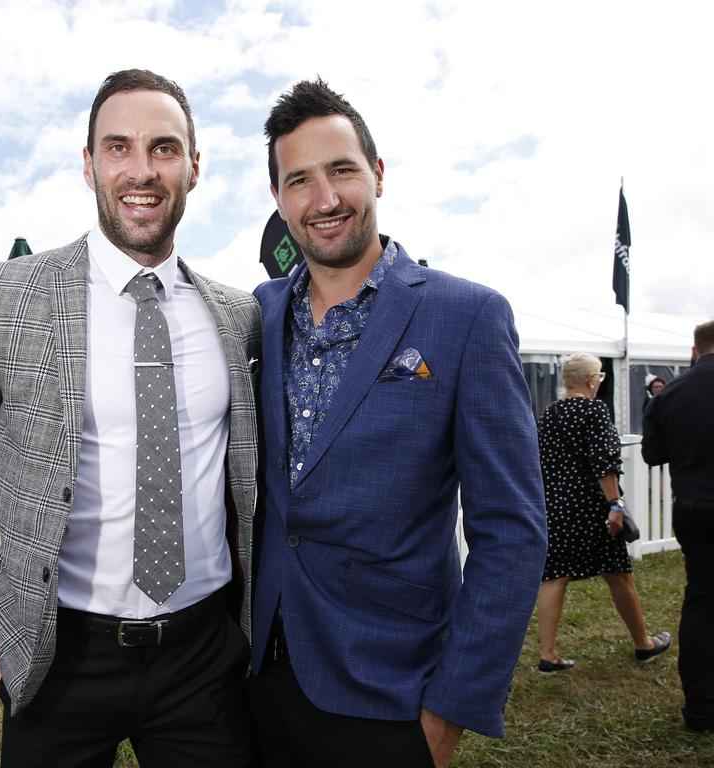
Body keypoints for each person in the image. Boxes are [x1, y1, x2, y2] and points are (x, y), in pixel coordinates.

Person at [0, 69, 261, 767]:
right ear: (89, 164)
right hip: (60, 658)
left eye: (164, 148)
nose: (142, 170)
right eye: (118, 147)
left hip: (203, 662)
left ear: (194, 166)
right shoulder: (10, 296)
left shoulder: (239, 317)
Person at [248, 78, 548, 768]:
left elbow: (512, 530)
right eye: (299, 181)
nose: (324, 200)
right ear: (279, 200)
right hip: (259, 683)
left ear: (377, 175)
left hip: (391, 695)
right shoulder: (256, 314)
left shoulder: (466, 316)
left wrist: (449, 710)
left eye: (342, 170)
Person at [535, 352, 671, 675]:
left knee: (555, 575)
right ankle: (643, 643)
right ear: (591, 380)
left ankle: (548, 653)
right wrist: (615, 504)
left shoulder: (550, 413)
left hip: (556, 506)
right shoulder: (594, 410)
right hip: (591, 506)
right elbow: (604, 463)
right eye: (600, 377)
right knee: (619, 574)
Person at [643, 320, 714, 732]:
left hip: (693, 508)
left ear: (694, 351)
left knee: (702, 600)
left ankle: (702, 707)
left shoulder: (669, 394)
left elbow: (653, 455)